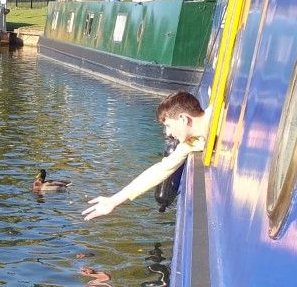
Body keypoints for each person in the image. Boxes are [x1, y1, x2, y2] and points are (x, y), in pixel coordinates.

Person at [82, 91, 209, 221]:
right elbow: (161, 170)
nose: (168, 133)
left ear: (183, 119)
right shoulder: (191, 143)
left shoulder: (220, 120)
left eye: (169, 125)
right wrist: (114, 200)